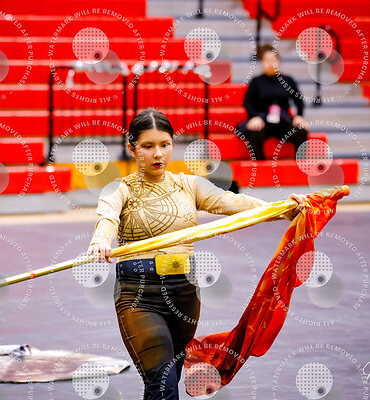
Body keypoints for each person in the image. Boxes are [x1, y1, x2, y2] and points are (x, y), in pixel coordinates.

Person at [87, 108, 307, 399]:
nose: (158, 154)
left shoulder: (189, 185)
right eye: (147, 146)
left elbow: (232, 203)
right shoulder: (120, 189)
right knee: (162, 383)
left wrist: (282, 209)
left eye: (164, 144)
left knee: (166, 381)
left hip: (185, 292)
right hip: (138, 296)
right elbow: (107, 218)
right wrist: (101, 240)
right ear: (132, 149)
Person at [237, 44, 308, 160]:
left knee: (301, 132)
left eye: (273, 59)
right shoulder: (256, 82)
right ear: (262, 63)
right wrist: (254, 117)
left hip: (283, 121)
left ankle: (300, 164)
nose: (271, 63)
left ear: (279, 61)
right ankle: (260, 165)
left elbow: (298, 100)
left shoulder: (288, 80)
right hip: (263, 122)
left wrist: (299, 116)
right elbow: (247, 103)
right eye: (267, 60)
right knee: (254, 132)